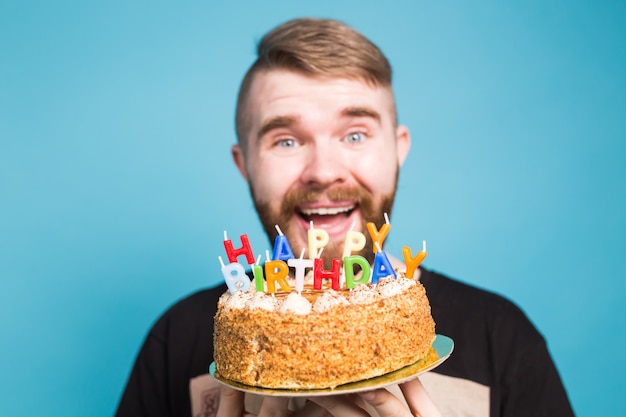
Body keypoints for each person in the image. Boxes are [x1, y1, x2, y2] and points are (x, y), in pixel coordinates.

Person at [115, 18, 575, 417]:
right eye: (286, 141)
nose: (324, 172)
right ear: (244, 164)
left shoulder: (504, 338)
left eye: (355, 135)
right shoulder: (177, 341)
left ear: (398, 149)